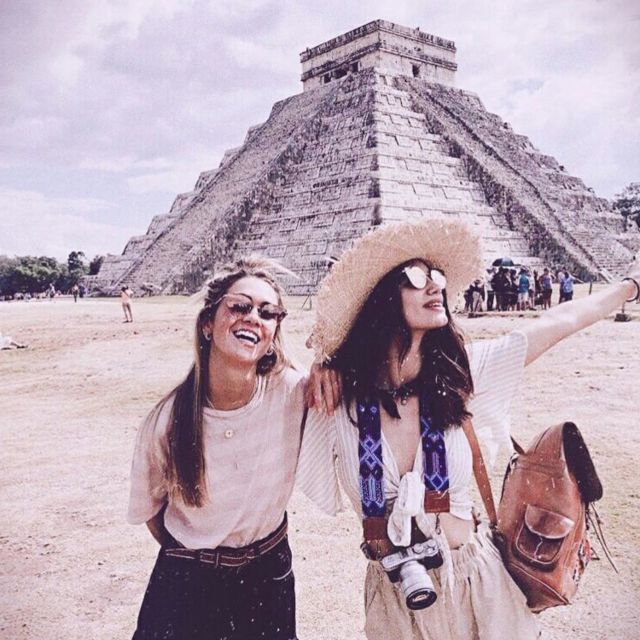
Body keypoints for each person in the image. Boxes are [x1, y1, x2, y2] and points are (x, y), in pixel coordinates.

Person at [299, 218, 640, 640]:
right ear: (381, 298)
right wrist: (320, 365)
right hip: (395, 601)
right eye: (416, 277)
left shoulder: (464, 373)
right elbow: (256, 381)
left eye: (437, 277)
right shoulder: (336, 398)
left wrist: (630, 287)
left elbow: (560, 321)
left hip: (477, 589)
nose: (434, 286)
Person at [127, 257, 337, 640]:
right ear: (208, 323)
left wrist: (328, 364)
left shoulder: (294, 393)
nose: (253, 318)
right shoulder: (166, 421)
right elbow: (152, 514)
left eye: (268, 313)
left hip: (267, 575)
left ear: (274, 332)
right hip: (186, 579)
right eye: (240, 306)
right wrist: (204, 554)